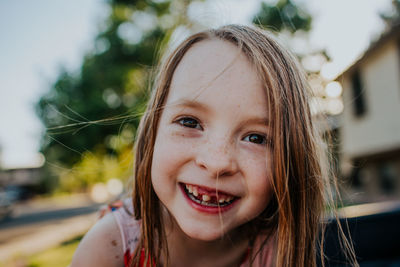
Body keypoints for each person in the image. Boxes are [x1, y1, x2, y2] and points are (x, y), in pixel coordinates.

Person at [71, 24, 357, 267]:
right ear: (152, 132)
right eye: (190, 122)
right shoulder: (110, 247)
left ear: (291, 159)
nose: (218, 162)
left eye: (256, 138)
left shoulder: (275, 249)